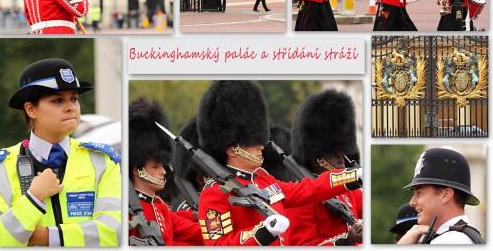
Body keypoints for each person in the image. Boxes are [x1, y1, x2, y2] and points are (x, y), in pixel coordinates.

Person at [196, 81, 362, 246]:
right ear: (233, 149)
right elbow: (217, 245)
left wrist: (352, 176)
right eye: (251, 142)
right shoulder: (214, 193)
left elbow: (310, 189)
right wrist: (261, 233)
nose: (261, 145)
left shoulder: (265, 182)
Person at [0, 59, 121, 246]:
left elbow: (114, 231)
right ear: (31, 109)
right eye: (57, 100)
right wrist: (34, 198)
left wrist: (45, 237)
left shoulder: (103, 161)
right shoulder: (1, 168)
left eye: (74, 98)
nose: (71, 107)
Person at [288, 89, 363, 246]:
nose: (341, 157)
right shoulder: (303, 197)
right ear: (317, 160)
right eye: (334, 153)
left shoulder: (349, 192)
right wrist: (346, 240)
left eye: (342, 151)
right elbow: (302, 245)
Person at [129, 98, 203, 246]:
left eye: (162, 166)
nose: (163, 172)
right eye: (155, 167)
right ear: (138, 170)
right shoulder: (129, 211)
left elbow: (196, 233)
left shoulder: (159, 207)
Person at [398, 147, 485, 244]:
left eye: (419, 193)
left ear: (445, 195)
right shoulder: (459, 237)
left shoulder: (449, 241)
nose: (412, 202)